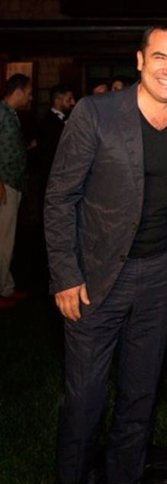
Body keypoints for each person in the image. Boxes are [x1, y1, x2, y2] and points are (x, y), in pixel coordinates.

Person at [44, 24, 167, 484]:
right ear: (140, 60)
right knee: (85, 402)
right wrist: (66, 274)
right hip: (96, 280)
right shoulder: (95, 115)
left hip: (160, 276)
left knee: (140, 396)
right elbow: (60, 197)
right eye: (160, 57)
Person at [0, 73, 32, 309]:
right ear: (18, 91)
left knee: (6, 240)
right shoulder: (1, 113)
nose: (30, 98)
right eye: (29, 93)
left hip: (14, 184)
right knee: (3, 240)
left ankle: (6, 286)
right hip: (5, 185)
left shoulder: (11, 114)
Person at [36, 84, 76, 202]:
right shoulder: (48, 123)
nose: (73, 102)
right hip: (53, 176)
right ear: (57, 101)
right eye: (69, 99)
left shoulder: (69, 119)